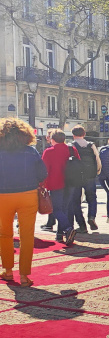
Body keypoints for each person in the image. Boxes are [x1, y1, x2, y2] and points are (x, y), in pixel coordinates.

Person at [0, 118, 47, 287]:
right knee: (27, 236)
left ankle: (7, 270)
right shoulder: (31, 151)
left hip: (3, 196)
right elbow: (43, 173)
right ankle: (25, 275)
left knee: (5, 234)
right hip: (27, 195)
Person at [41, 130, 76, 246]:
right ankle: (60, 235)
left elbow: (44, 170)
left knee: (56, 209)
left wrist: (42, 184)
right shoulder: (72, 149)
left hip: (55, 184)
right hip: (71, 183)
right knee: (64, 209)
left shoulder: (49, 152)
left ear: (52, 139)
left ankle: (67, 228)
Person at [67, 125, 101, 233]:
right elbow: (97, 160)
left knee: (76, 201)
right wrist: (96, 172)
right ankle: (91, 217)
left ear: (73, 135)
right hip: (90, 176)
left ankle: (82, 225)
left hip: (76, 176)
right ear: (84, 134)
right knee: (92, 197)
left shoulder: (70, 146)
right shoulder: (91, 145)